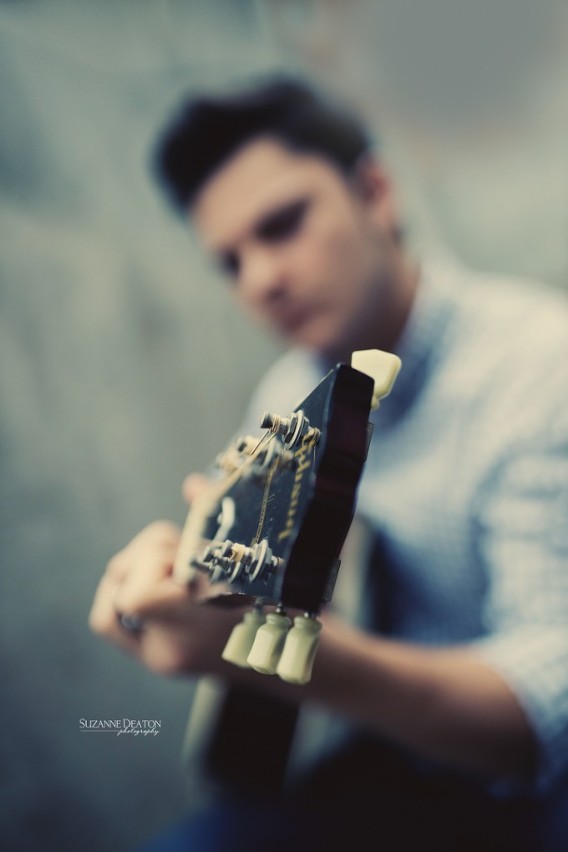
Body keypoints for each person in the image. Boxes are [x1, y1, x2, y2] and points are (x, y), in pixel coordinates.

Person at [89, 77, 568, 851]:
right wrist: (210, 584)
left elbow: (549, 722)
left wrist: (286, 655)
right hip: (380, 761)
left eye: (281, 226)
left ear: (375, 192)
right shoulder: (286, 392)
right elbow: (272, 607)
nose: (260, 281)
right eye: (229, 262)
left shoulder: (544, 370)